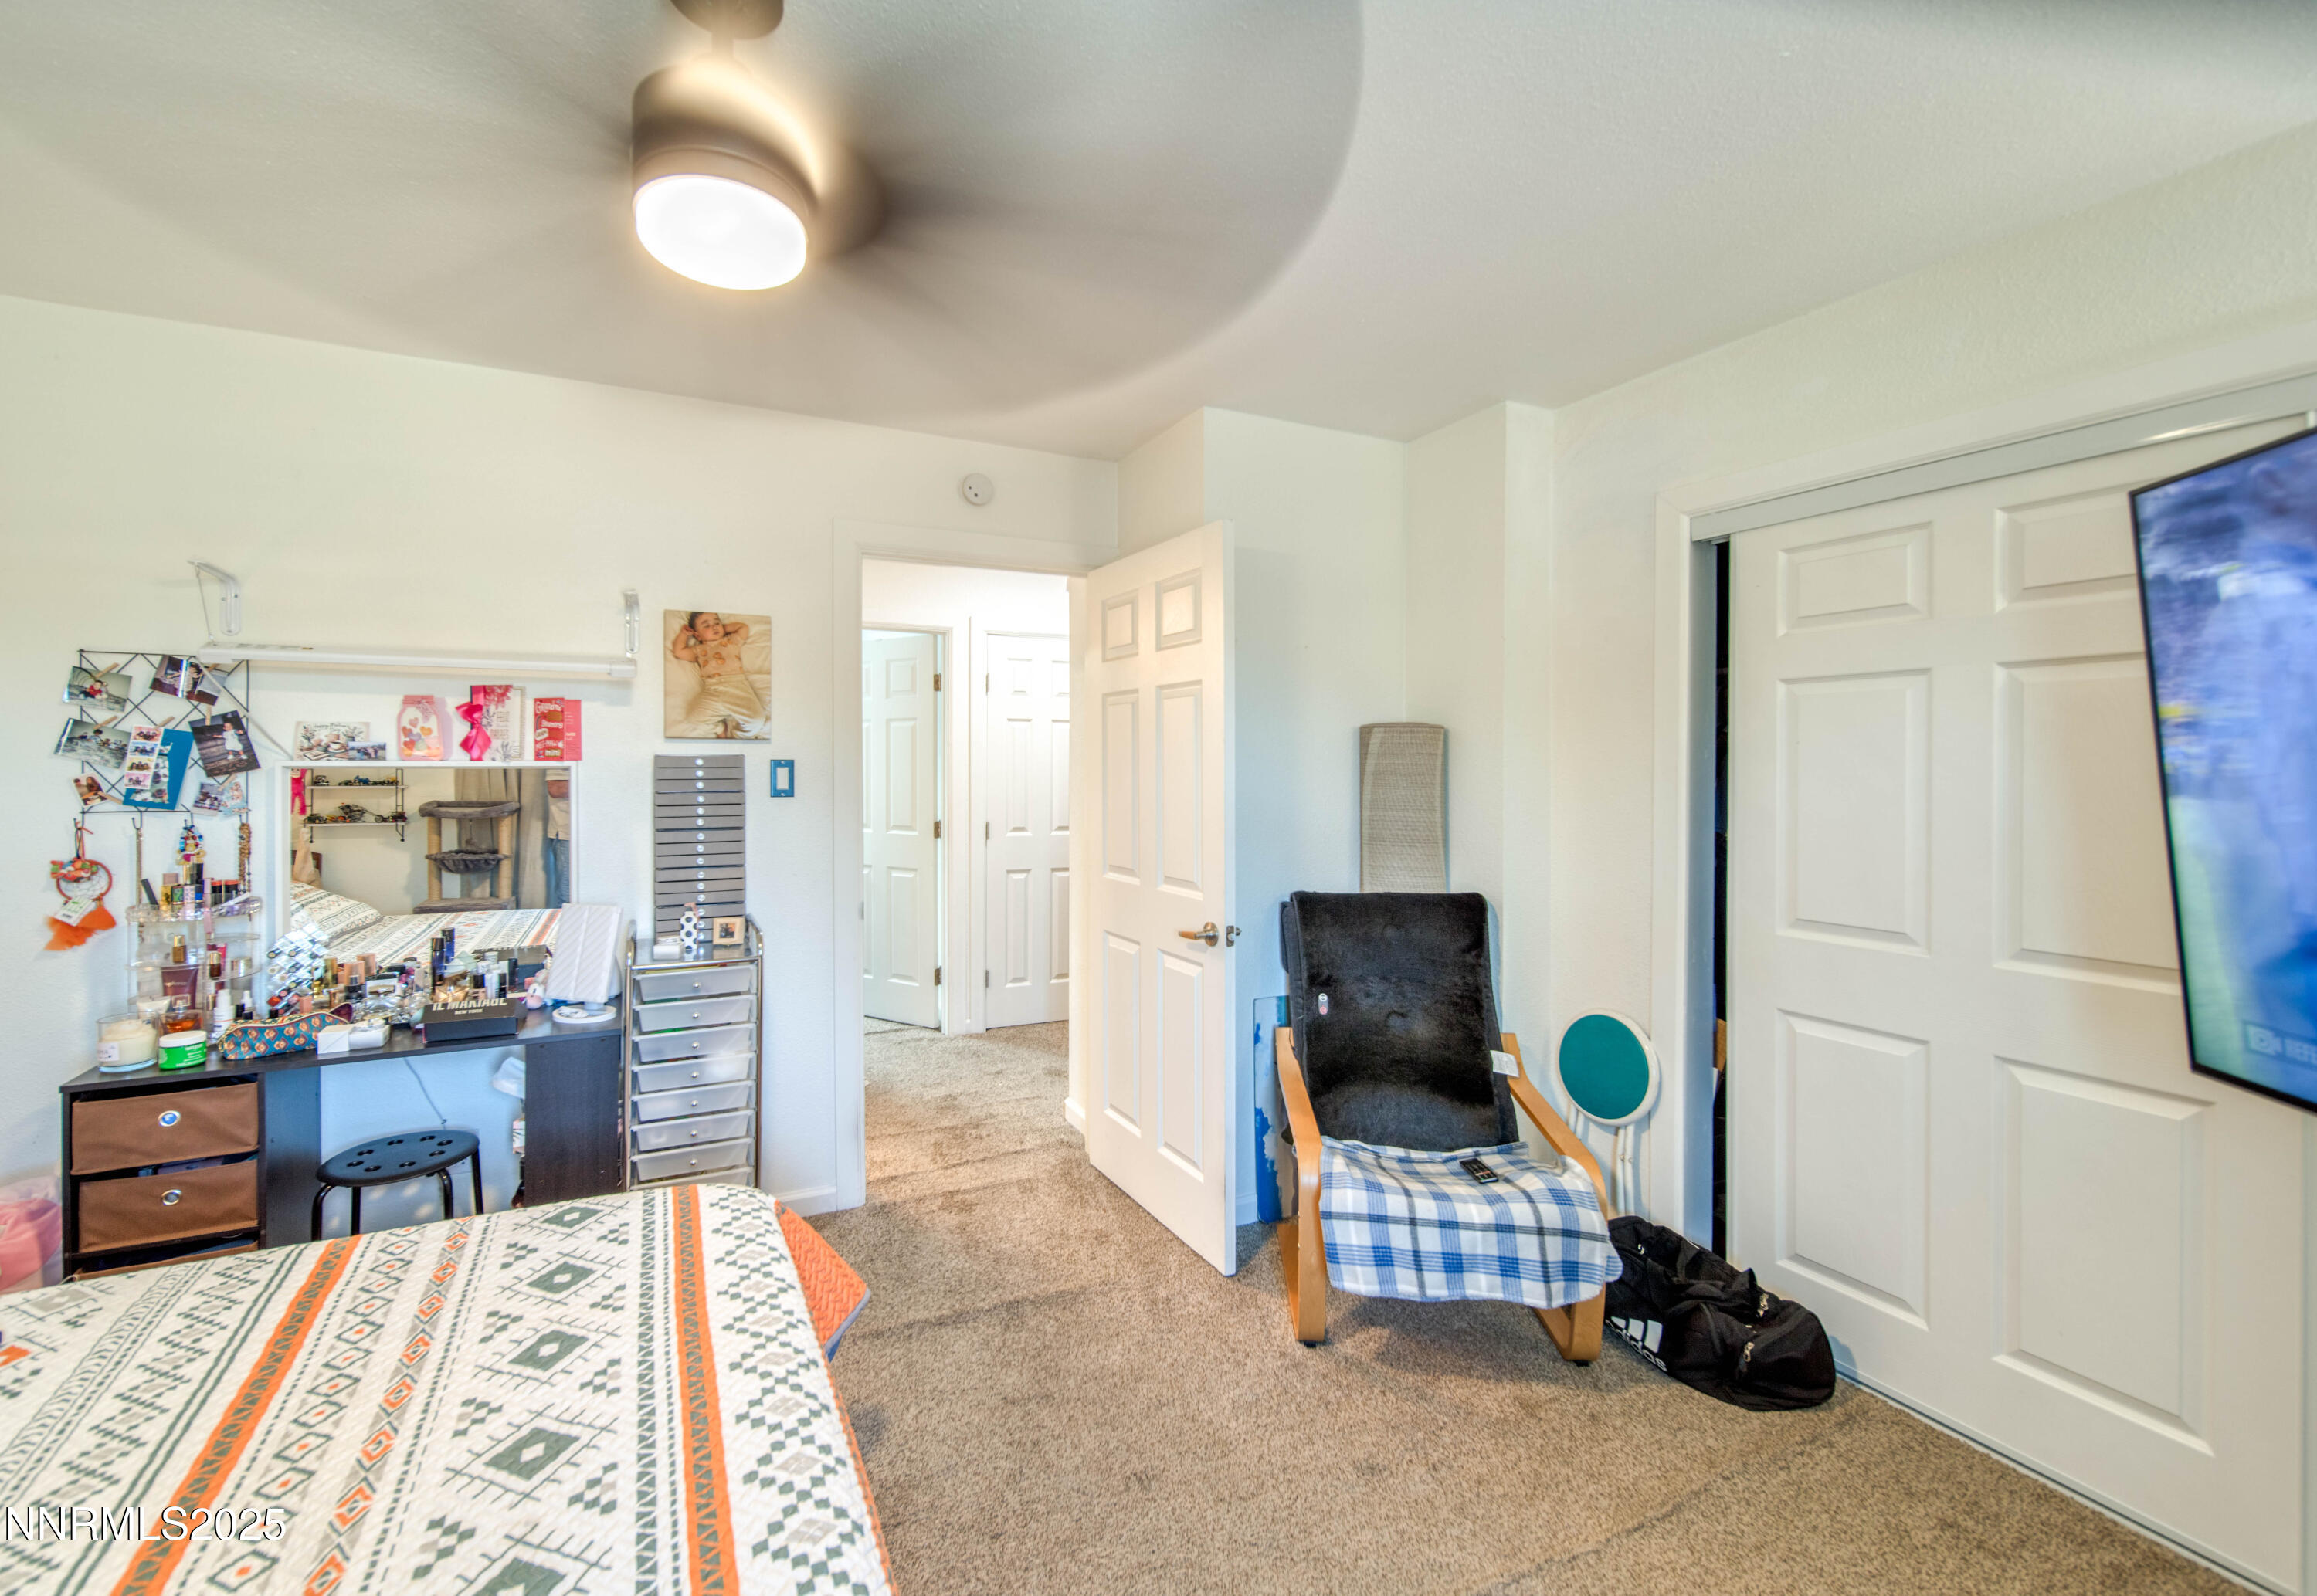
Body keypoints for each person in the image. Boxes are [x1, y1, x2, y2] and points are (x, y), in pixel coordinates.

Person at [670, 612, 768, 738]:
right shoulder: (699, 650)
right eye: (706, 626)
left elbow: (743, 628)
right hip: (713, 690)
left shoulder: (731, 641)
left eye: (717, 623)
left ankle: (738, 738)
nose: (714, 627)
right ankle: (720, 728)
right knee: (693, 720)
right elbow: (679, 652)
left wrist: (724, 628)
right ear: (697, 635)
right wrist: (684, 634)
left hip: (737, 687)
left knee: (756, 721)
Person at [542, 768, 571, 908]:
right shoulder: (563, 748)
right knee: (568, 896)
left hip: (598, 833)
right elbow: (555, 789)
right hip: (567, 834)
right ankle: (566, 929)